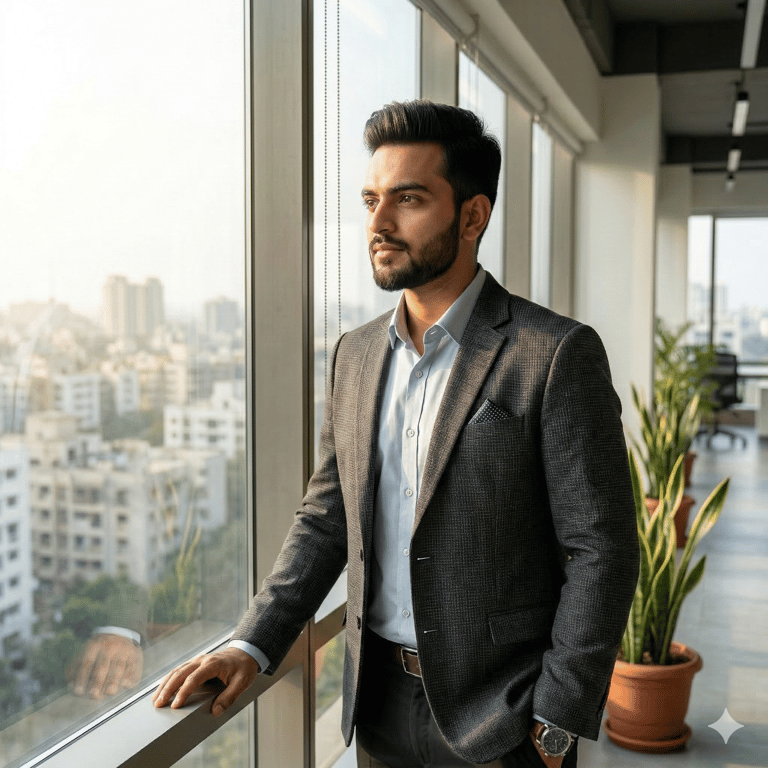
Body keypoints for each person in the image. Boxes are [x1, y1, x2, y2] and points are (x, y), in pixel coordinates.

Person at [153, 100, 639, 768]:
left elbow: (602, 549)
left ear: (473, 215)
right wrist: (251, 643)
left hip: (506, 718)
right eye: (371, 200)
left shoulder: (554, 353)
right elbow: (326, 519)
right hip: (375, 706)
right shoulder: (352, 356)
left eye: (407, 199)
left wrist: (557, 715)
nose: (378, 223)